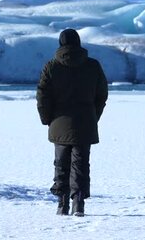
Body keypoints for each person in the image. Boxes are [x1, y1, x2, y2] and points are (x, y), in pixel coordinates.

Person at [36, 28, 108, 216]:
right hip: (85, 122)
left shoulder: (51, 66)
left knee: (61, 163)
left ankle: (62, 204)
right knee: (81, 164)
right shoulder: (93, 66)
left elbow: (43, 96)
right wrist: (93, 116)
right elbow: (102, 95)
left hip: (59, 122)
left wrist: (47, 118)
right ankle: (78, 204)